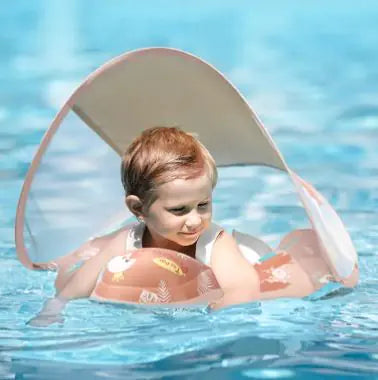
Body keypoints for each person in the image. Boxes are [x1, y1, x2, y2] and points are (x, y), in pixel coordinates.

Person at [28, 127, 357, 326]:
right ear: (138, 209)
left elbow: (242, 292)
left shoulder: (217, 242)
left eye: (204, 204)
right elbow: (73, 290)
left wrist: (207, 325)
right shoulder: (127, 239)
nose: (195, 219)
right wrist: (51, 314)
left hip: (252, 259)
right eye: (178, 209)